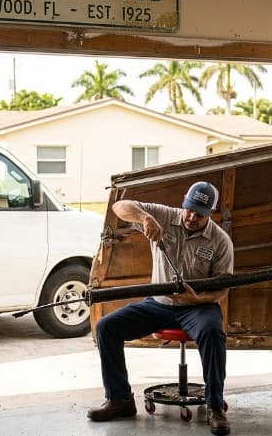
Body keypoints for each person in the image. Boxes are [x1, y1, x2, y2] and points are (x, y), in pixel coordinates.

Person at [87, 181, 235, 436]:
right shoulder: (165, 215)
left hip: (197, 308)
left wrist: (196, 300)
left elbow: (223, 289)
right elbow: (120, 207)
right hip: (158, 303)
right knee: (106, 328)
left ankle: (214, 407)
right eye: (189, 209)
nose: (191, 217)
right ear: (184, 202)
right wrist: (145, 218)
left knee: (212, 333)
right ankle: (120, 399)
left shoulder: (221, 241)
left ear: (211, 212)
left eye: (199, 214)